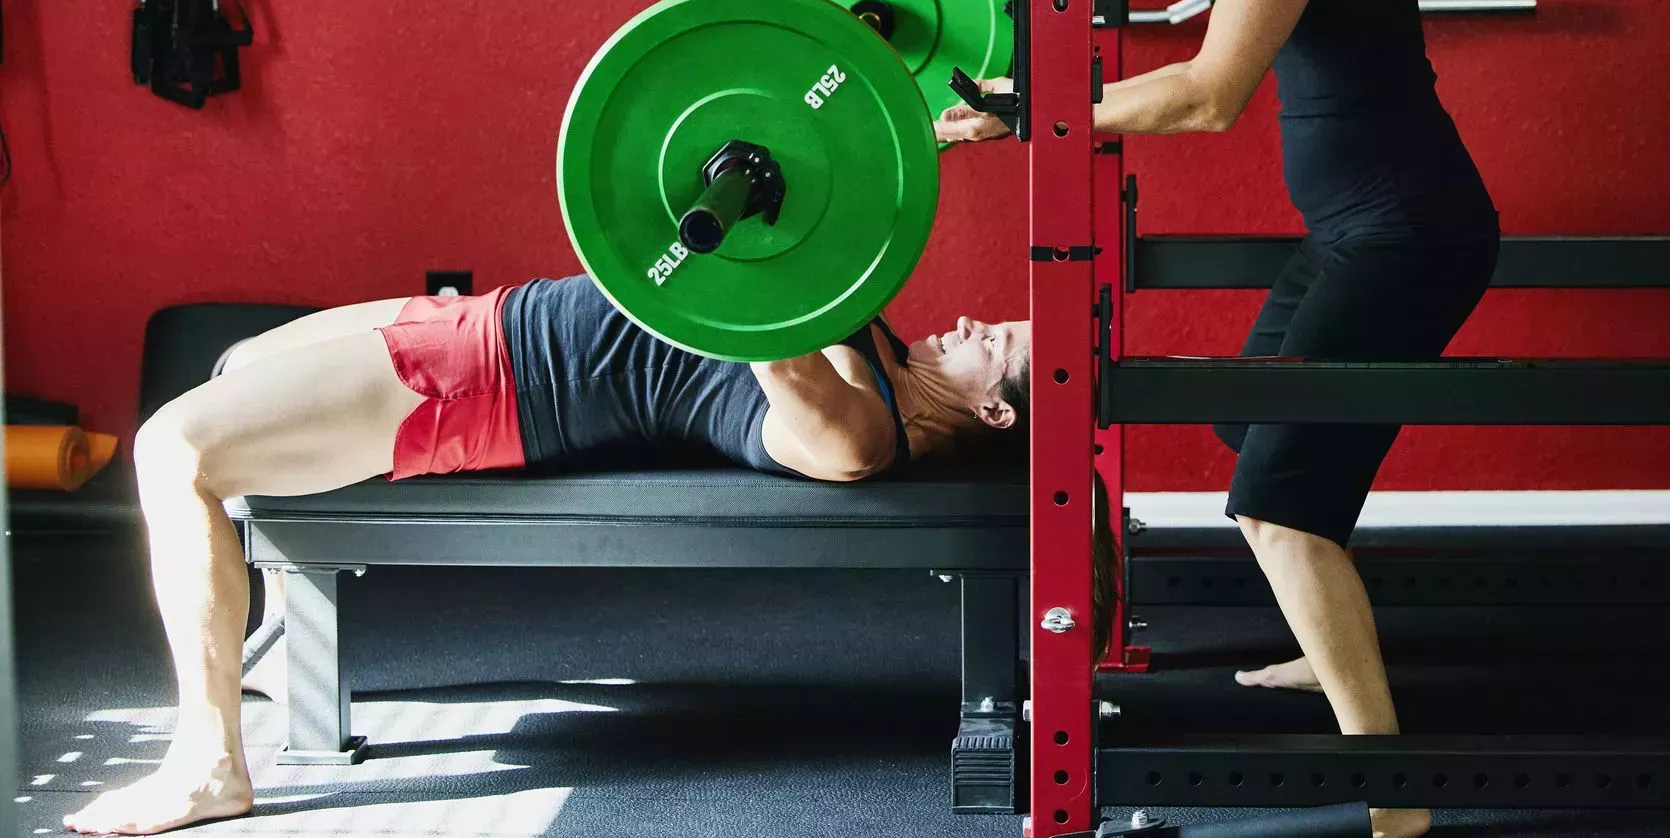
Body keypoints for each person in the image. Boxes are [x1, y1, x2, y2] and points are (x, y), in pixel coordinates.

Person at [939, 0, 1500, 838]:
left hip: (1404, 231)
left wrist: (1039, 118)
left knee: (1274, 500)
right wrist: (1045, 107)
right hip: (1363, 224)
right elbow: (1201, 64)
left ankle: (1393, 793)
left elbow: (1206, 93)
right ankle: (1324, 629)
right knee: (1251, 414)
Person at [64, 274, 1034, 835]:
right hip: (482, 320)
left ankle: (207, 758)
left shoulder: (858, 432)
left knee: (174, 446)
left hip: (483, 381)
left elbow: (767, 340)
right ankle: (248, 644)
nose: (975, 322)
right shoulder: (875, 340)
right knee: (237, 366)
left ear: (994, 409)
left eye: (999, 343)